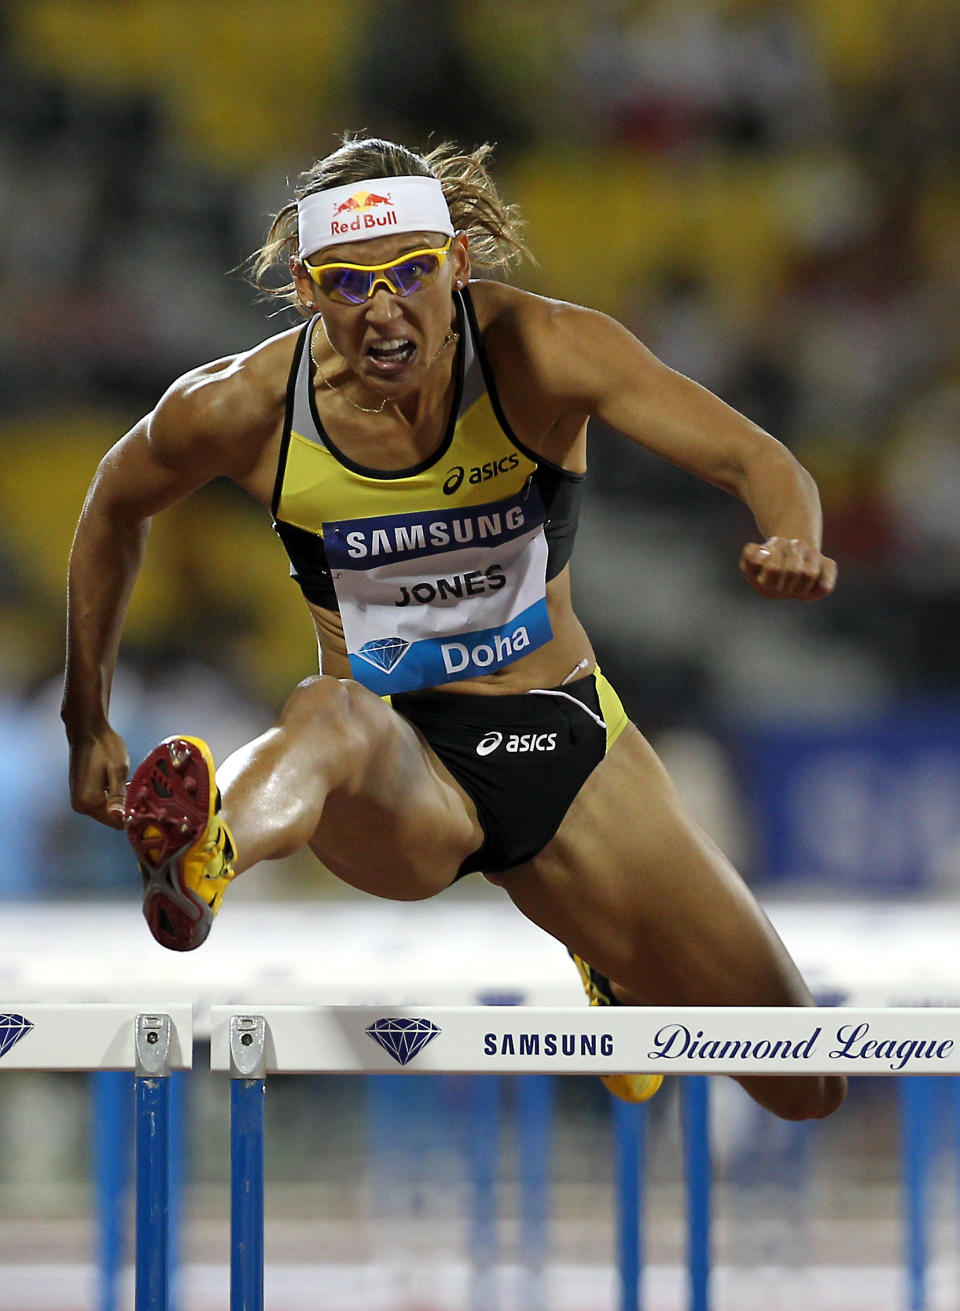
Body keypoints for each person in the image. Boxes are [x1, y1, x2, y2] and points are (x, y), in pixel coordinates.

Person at [63, 135, 846, 1121]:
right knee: (329, 710)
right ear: (306, 289)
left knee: (804, 1084)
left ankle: (605, 949)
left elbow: (755, 458)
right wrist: (84, 718)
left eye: (410, 275)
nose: (383, 308)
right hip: (403, 766)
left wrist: (794, 535)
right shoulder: (242, 407)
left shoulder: (546, 350)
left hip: (551, 738)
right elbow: (113, 506)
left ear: (459, 266)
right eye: (349, 284)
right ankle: (202, 850)